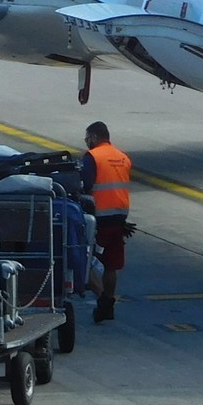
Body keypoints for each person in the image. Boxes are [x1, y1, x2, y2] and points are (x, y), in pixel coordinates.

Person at [78, 120, 132, 324]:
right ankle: (108, 301)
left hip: (97, 220)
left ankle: (103, 300)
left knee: (84, 261)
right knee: (111, 265)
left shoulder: (92, 157)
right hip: (119, 220)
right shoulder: (123, 158)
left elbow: (85, 185)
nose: (86, 142)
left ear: (94, 137)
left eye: (87, 138)